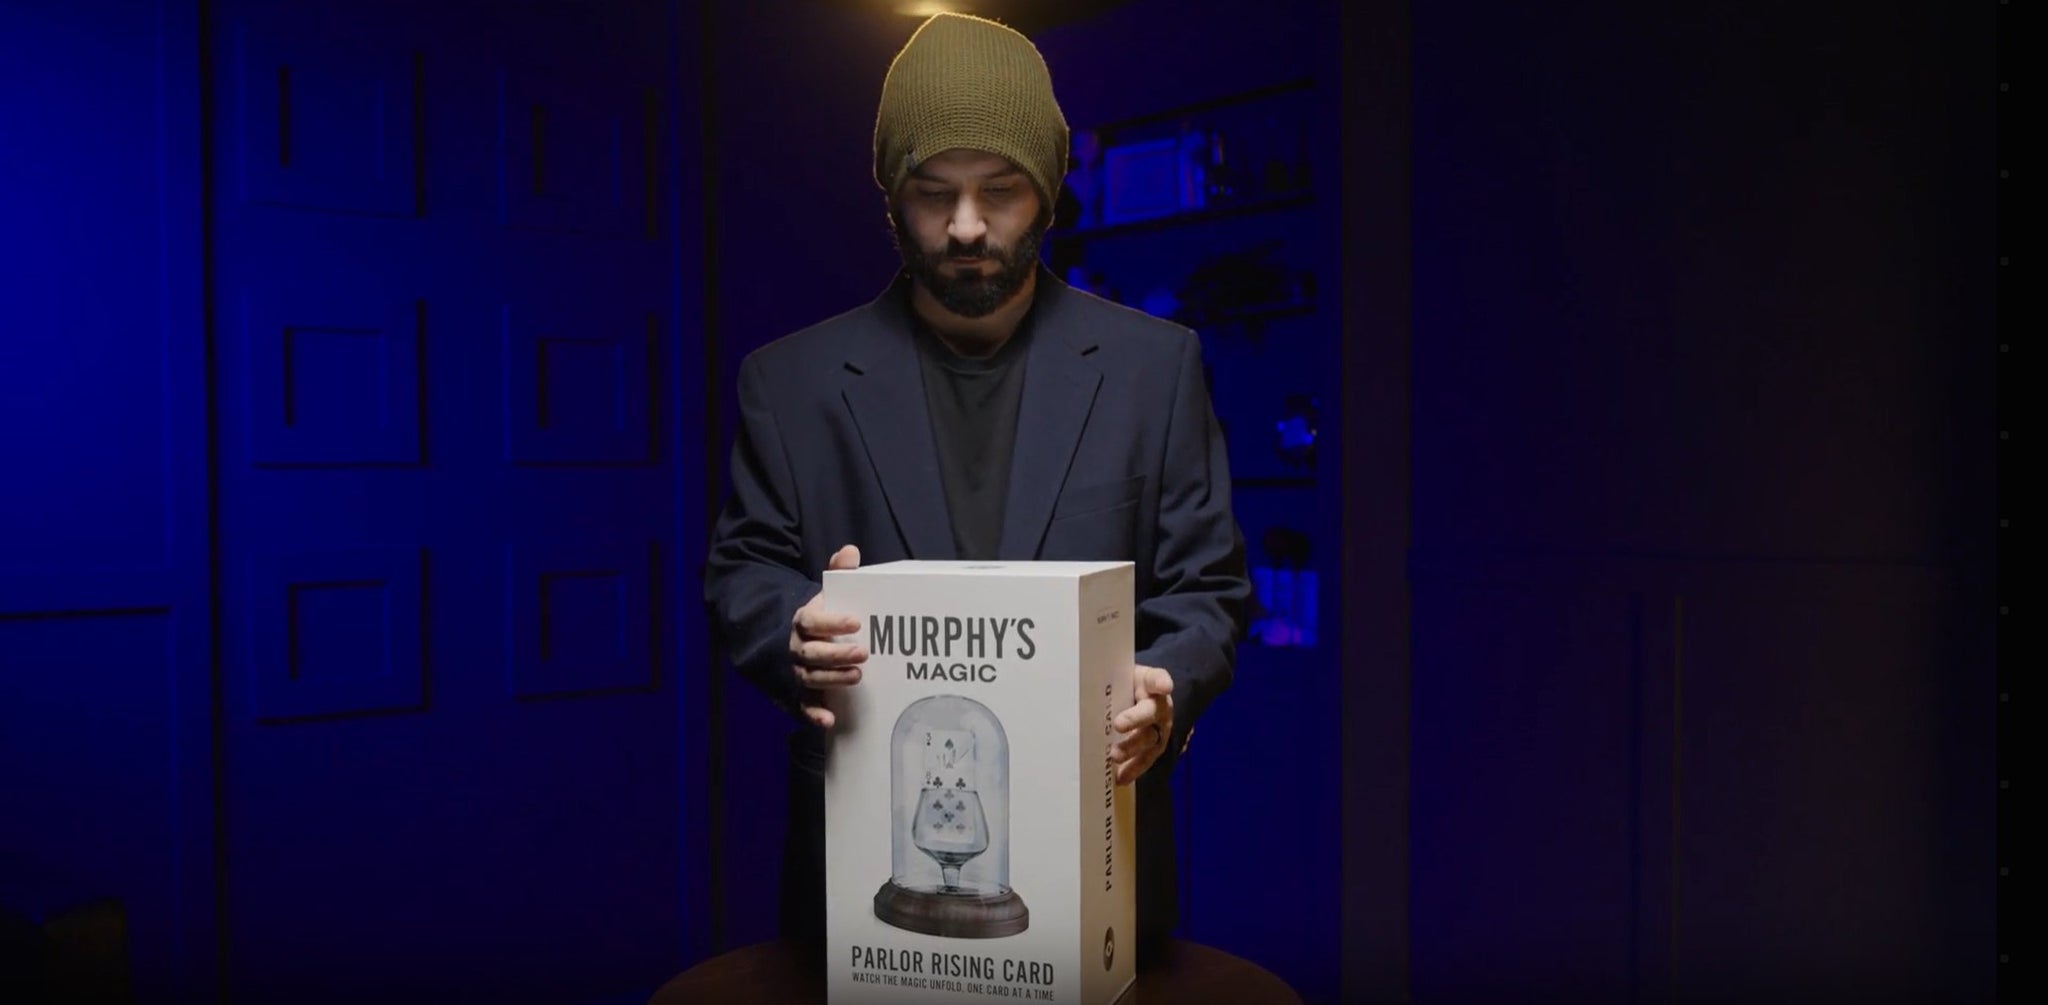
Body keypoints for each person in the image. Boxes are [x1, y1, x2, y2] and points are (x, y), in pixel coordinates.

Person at [702, 11, 1249, 972]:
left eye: (1000, 190)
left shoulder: (1154, 369)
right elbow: (744, 571)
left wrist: (1168, 683)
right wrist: (794, 628)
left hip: (1099, 863)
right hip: (862, 888)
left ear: (1048, 191)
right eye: (932, 193)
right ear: (890, 197)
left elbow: (1209, 590)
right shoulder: (788, 382)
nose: (964, 226)